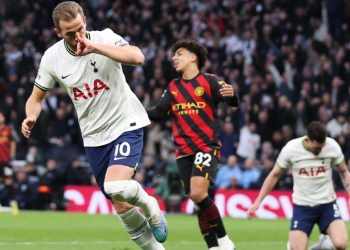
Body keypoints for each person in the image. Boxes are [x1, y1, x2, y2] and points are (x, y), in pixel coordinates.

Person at [21, 2, 167, 249]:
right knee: (119, 202)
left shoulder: (105, 38)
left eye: (80, 28)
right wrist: (31, 116)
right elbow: (36, 98)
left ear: (85, 21)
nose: (77, 36)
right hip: (93, 137)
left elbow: (137, 57)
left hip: (126, 123)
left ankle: (150, 204)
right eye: (69, 33)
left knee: (115, 185)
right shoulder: (52, 58)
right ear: (58, 33)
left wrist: (95, 48)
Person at [147, 40, 238, 250]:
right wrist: (133, 111)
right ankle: (213, 247)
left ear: (193, 57)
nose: (174, 58)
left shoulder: (210, 82)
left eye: (179, 53)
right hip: (182, 153)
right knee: (198, 204)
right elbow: (159, 112)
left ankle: (224, 241)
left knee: (198, 194)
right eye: (173, 55)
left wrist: (233, 96)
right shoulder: (173, 87)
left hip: (206, 147)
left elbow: (232, 102)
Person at [247, 121, 350, 250]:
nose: (320, 150)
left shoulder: (332, 146)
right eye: (317, 148)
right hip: (303, 207)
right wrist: (258, 201)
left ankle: (324, 243)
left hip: (327, 204)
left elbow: (344, 171)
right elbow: (274, 175)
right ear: (308, 139)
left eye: (322, 147)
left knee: (341, 244)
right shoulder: (291, 149)